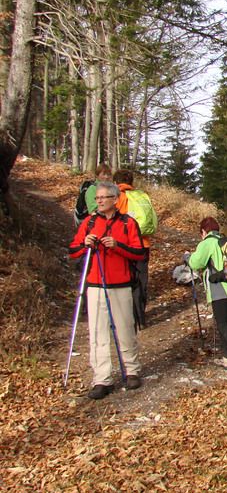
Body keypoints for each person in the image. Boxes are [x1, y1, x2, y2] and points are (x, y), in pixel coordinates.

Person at [68, 181, 146, 399]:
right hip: (94, 284)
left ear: (114, 199)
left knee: (125, 328)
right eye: (98, 198)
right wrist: (85, 243)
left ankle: (131, 370)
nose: (99, 201)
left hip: (120, 283)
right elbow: (72, 250)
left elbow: (140, 253)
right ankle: (102, 378)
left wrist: (118, 246)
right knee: (97, 331)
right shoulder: (89, 222)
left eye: (103, 197)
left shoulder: (127, 223)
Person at [186, 217, 227, 371]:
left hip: (220, 289)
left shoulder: (207, 243)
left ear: (203, 231)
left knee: (223, 324)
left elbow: (196, 263)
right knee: (225, 323)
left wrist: (187, 258)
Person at [113, 169, 154, 329]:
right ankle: (141, 318)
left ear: (116, 182)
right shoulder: (142, 196)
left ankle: (130, 318)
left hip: (126, 246)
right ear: (131, 182)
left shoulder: (119, 196)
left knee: (127, 281)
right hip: (144, 244)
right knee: (142, 281)